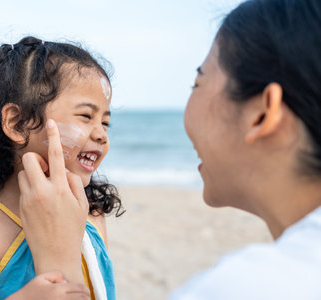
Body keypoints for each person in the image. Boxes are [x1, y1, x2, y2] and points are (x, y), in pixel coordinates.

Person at [17, 0, 321, 299]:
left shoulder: (246, 288)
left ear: (262, 114)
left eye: (197, 83)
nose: (101, 134)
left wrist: (58, 263)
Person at [0, 36, 123, 300]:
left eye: (106, 122)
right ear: (17, 123)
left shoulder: (91, 215)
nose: (101, 134)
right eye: (86, 116)